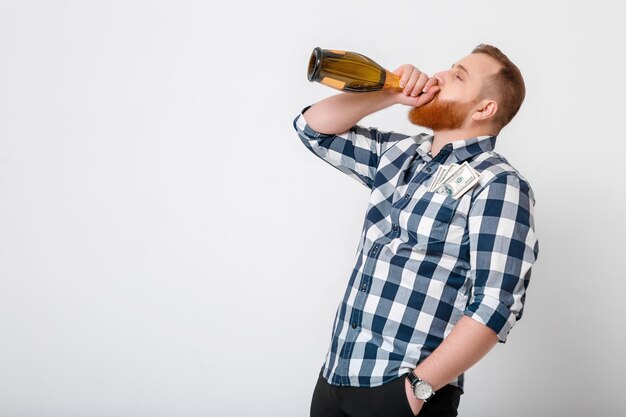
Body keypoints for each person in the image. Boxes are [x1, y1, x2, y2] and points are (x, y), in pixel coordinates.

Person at [292, 44, 540, 417]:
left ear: (484, 109)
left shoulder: (498, 184)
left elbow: (495, 305)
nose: (438, 76)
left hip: (401, 394)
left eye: (458, 76)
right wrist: (388, 93)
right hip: (336, 378)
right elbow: (313, 129)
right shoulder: (400, 154)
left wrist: (417, 389)